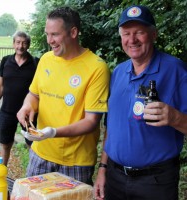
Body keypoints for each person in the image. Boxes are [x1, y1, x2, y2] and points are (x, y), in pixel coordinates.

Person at [93, 5, 187, 200]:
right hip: (115, 177)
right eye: (126, 33)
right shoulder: (118, 72)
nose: (132, 40)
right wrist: (102, 168)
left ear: (154, 35)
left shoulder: (176, 71)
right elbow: (111, 126)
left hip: (156, 183)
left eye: (139, 33)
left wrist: (175, 118)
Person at [17, 7, 110, 185]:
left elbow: (91, 121)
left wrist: (53, 133)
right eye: (47, 34)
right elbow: (34, 94)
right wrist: (27, 106)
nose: (50, 41)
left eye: (55, 34)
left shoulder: (97, 67)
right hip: (40, 153)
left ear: (73, 32)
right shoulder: (46, 59)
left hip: (76, 162)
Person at [0, 31, 39, 166]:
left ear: (28, 45)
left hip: (28, 114)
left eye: (24, 43)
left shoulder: (36, 63)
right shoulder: (5, 61)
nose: (21, 46)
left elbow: (40, 90)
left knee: (32, 145)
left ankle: (31, 177)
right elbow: (0, 87)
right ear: (13, 44)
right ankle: (2, 175)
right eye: (18, 42)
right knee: (5, 145)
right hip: (7, 111)